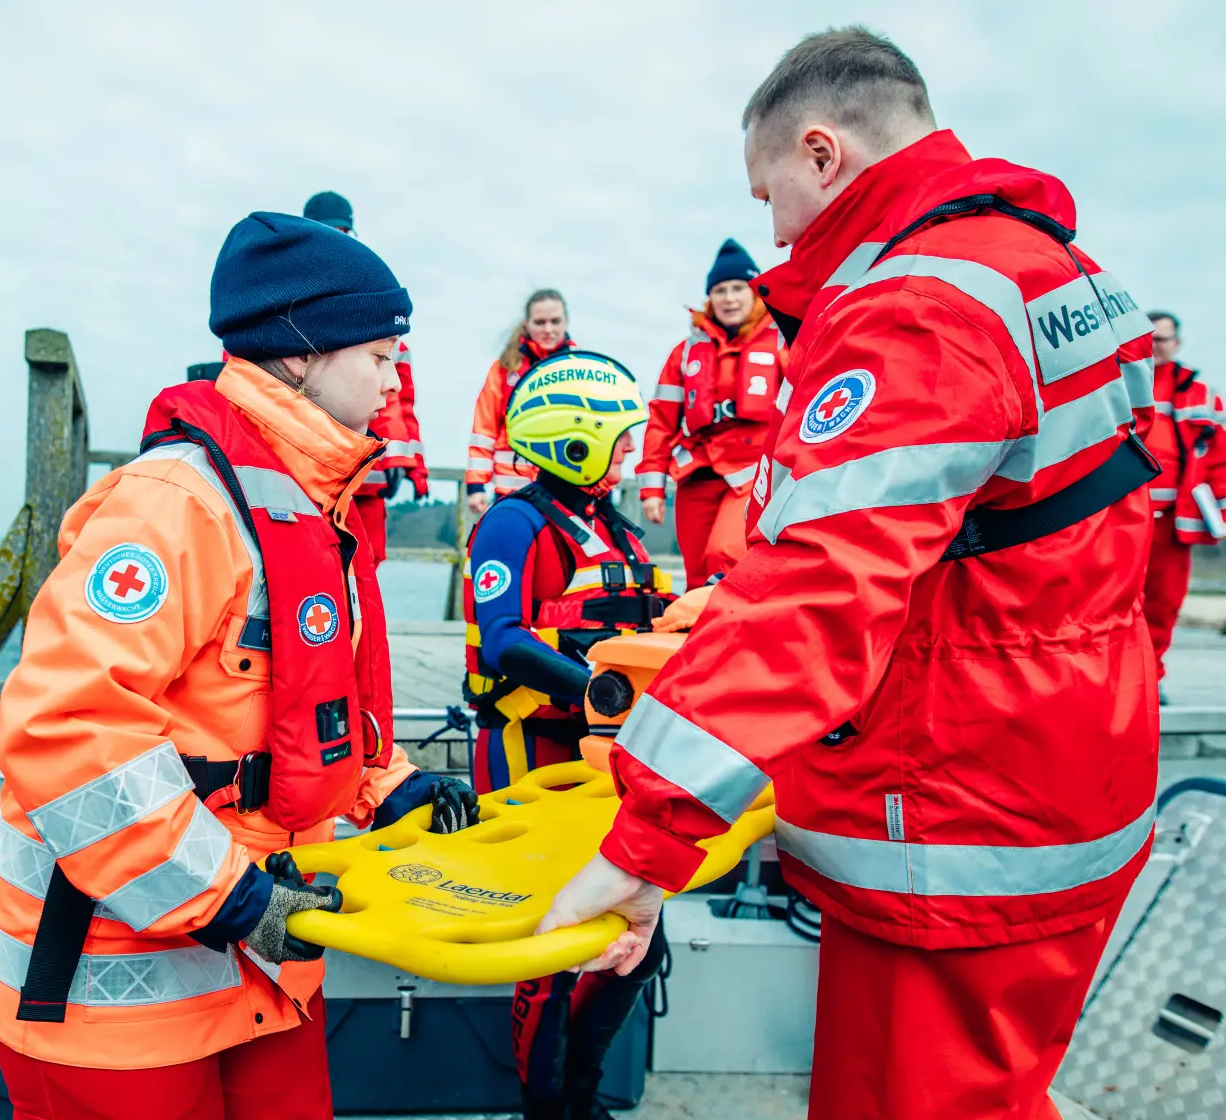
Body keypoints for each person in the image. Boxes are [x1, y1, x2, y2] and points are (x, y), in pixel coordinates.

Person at [539, 27, 1161, 1120]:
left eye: (768, 194)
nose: (773, 233)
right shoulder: (1054, 269)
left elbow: (826, 586)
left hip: (957, 810)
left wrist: (646, 838)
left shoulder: (920, 304)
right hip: (1071, 765)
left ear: (822, 154)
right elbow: (1064, 525)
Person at [0, 211, 479, 1120]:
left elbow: (296, 705)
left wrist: (386, 785)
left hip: (262, 965)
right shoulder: (175, 505)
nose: (394, 379)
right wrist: (233, 899)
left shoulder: (313, 506)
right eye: (380, 353)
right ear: (300, 355)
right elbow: (66, 731)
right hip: (111, 991)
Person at [463, 350, 669, 1119]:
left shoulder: (611, 527)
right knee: (550, 943)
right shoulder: (514, 523)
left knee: (639, 941)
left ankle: (579, 1095)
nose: (633, 448)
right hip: (531, 749)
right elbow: (503, 640)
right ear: (573, 438)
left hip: (605, 757)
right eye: (621, 435)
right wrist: (595, 690)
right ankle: (546, 1108)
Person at [638, 240, 788, 587]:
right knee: (696, 573)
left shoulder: (782, 341)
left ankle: (731, 622)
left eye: (738, 288)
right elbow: (661, 421)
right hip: (698, 473)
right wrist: (652, 489)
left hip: (754, 471)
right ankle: (697, 623)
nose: (729, 298)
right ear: (710, 298)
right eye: (720, 290)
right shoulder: (685, 352)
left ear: (754, 292)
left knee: (724, 556)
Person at [304, 190, 430, 559]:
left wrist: (407, 463)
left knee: (367, 562)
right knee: (311, 563)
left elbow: (398, 398)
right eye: (328, 231)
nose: (337, 240)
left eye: (344, 232)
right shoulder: (283, 297)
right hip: (306, 473)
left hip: (367, 477)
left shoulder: (378, 304)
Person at [1140, 311, 1226, 694]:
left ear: (1177, 344)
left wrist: (1219, 515)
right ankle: (1118, 682)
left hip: (1172, 523)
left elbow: (1220, 459)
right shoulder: (1115, 385)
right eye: (1148, 338)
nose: (1155, 346)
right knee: (1112, 602)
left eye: (1162, 339)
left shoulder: (1200, 394)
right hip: (1120, 519)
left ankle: (1149, 681)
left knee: (1162, 604)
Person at [466, 290, 574, 515]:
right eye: (540, 322)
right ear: (527, 325)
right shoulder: (505, 368)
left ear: (566, 322)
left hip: (566, 490)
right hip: (512, 490)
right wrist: (476, 485)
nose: (548, 329)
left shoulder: (582, 367)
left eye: (555, 321)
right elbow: (484, 429)